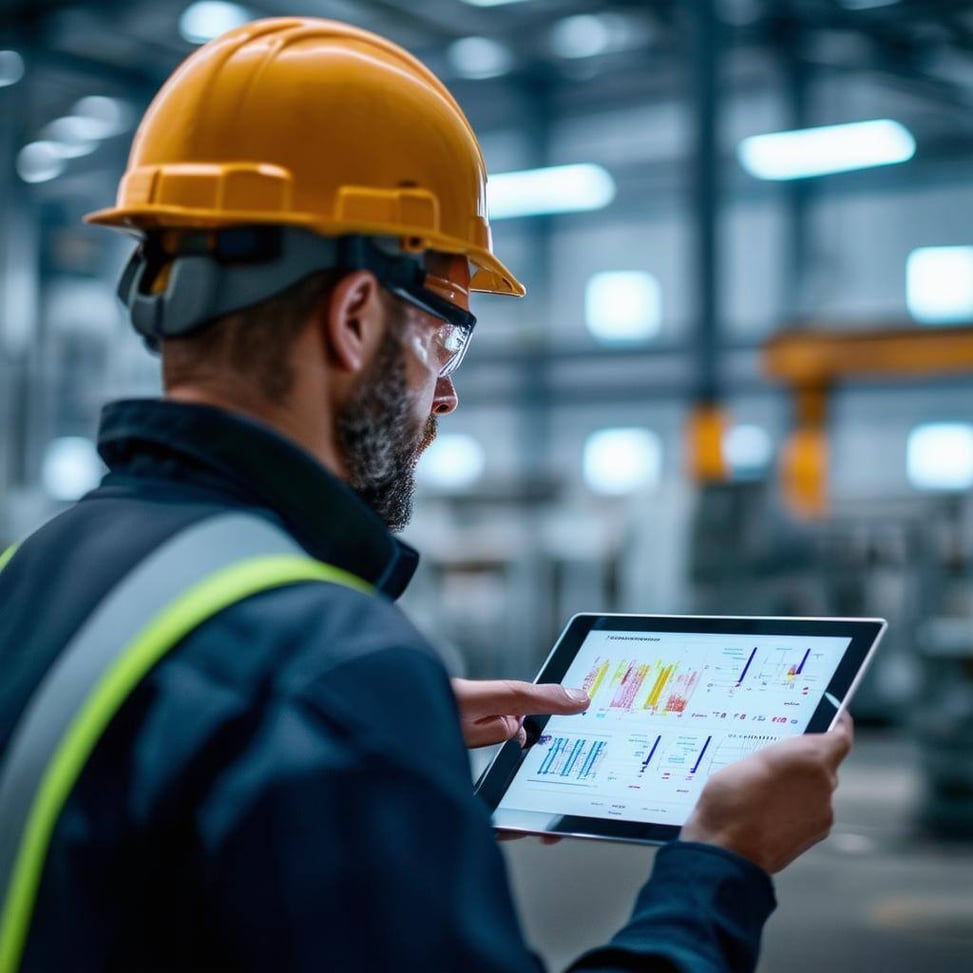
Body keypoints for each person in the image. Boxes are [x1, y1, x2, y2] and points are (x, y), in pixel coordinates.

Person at [0, 18, 853, 973]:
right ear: (355, 316)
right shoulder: (323, 669)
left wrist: (362, 758)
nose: (444, 391)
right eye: (442, 341)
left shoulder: (37, 570)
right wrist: (724, 861)